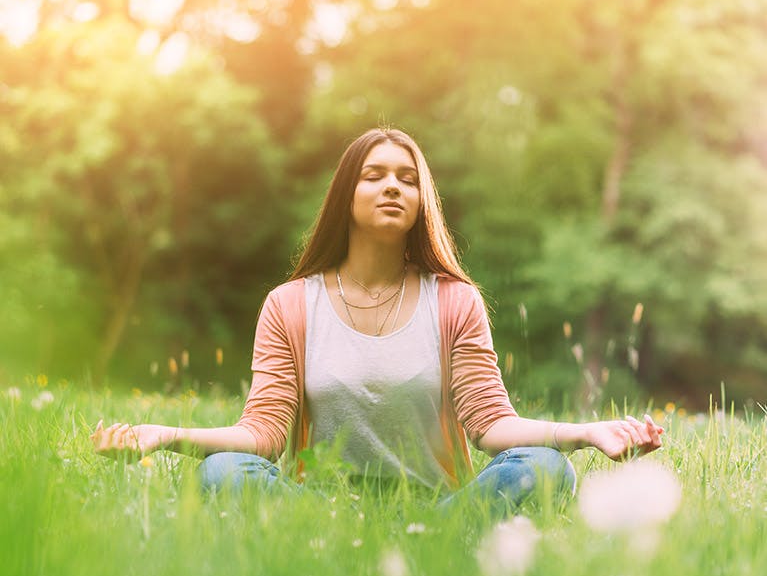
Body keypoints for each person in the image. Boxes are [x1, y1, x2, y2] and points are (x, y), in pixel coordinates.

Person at [92, 127, 663, 512]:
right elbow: (261, 436)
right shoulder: (290, 305)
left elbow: (491, 425)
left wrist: (586, 434)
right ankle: (334, 547)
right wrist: (164, 435)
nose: (393, 185)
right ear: (347, 193)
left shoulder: (453, 301)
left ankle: (428, 546)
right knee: (224, 474)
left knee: (545, 468)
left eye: (407, 178)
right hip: (319, 512)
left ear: (421, 202)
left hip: (439, 511)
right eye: (374, 174)